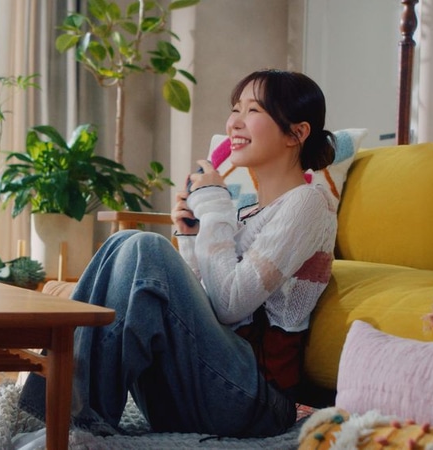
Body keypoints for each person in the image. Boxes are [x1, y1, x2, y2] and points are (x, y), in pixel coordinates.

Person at [19, 69, 338, 438]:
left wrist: (214, 205)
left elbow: (230, 305)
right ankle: (54, 417)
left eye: (253, 110)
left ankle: (73, 426)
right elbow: (201, 306)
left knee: (146, 246)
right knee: (124, 242)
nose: (234, 122)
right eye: (235, 109)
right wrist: (191, 236)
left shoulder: (308, 202)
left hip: (256, 403)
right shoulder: (246, 214)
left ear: (297, 133)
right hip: (202, 386)